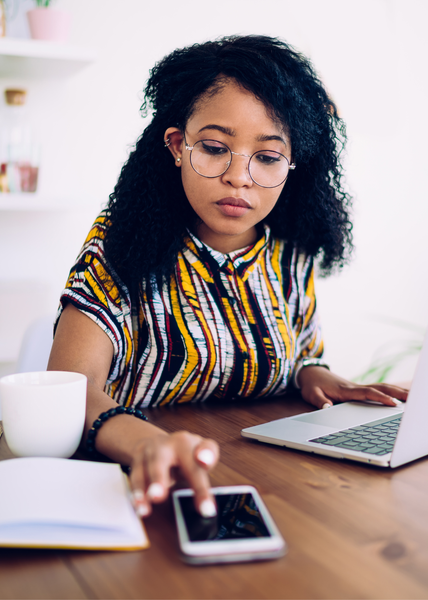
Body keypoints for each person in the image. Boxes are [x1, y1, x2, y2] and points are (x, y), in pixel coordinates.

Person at [48, 35, 407, 519]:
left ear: (291, 164)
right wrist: (145, 442)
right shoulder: (122, 242)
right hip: (133, 486)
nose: (240, 177)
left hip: (262, 478)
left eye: (267, 157)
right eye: (216, 148)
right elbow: (70, 386)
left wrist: (313, 375)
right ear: (178, 146)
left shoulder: (288, 249)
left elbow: (297, 352)